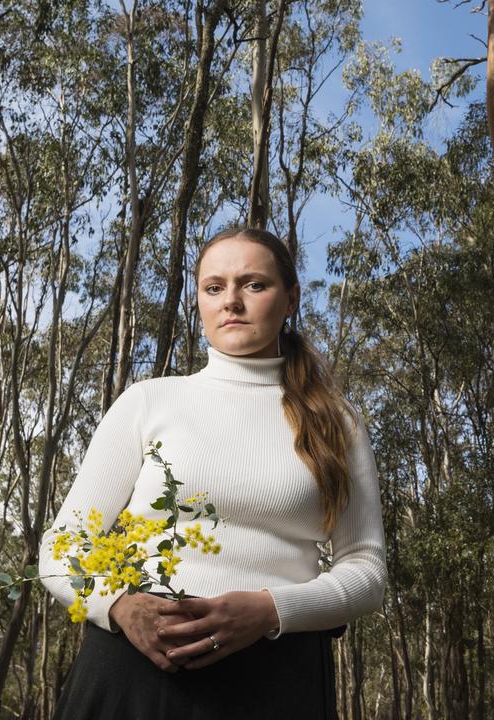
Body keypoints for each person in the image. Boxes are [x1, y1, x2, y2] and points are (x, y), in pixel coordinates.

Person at [39, 225, 387, 718]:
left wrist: (270, 610)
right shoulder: (149, 401)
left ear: (290, 299)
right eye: (214, 287)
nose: (232, 302)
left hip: (278, 682)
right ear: (199, 301)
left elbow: (366, 572)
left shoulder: (336, 421)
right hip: (134, 673)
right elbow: (61, 546)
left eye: (254, 284)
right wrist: (118, 605)